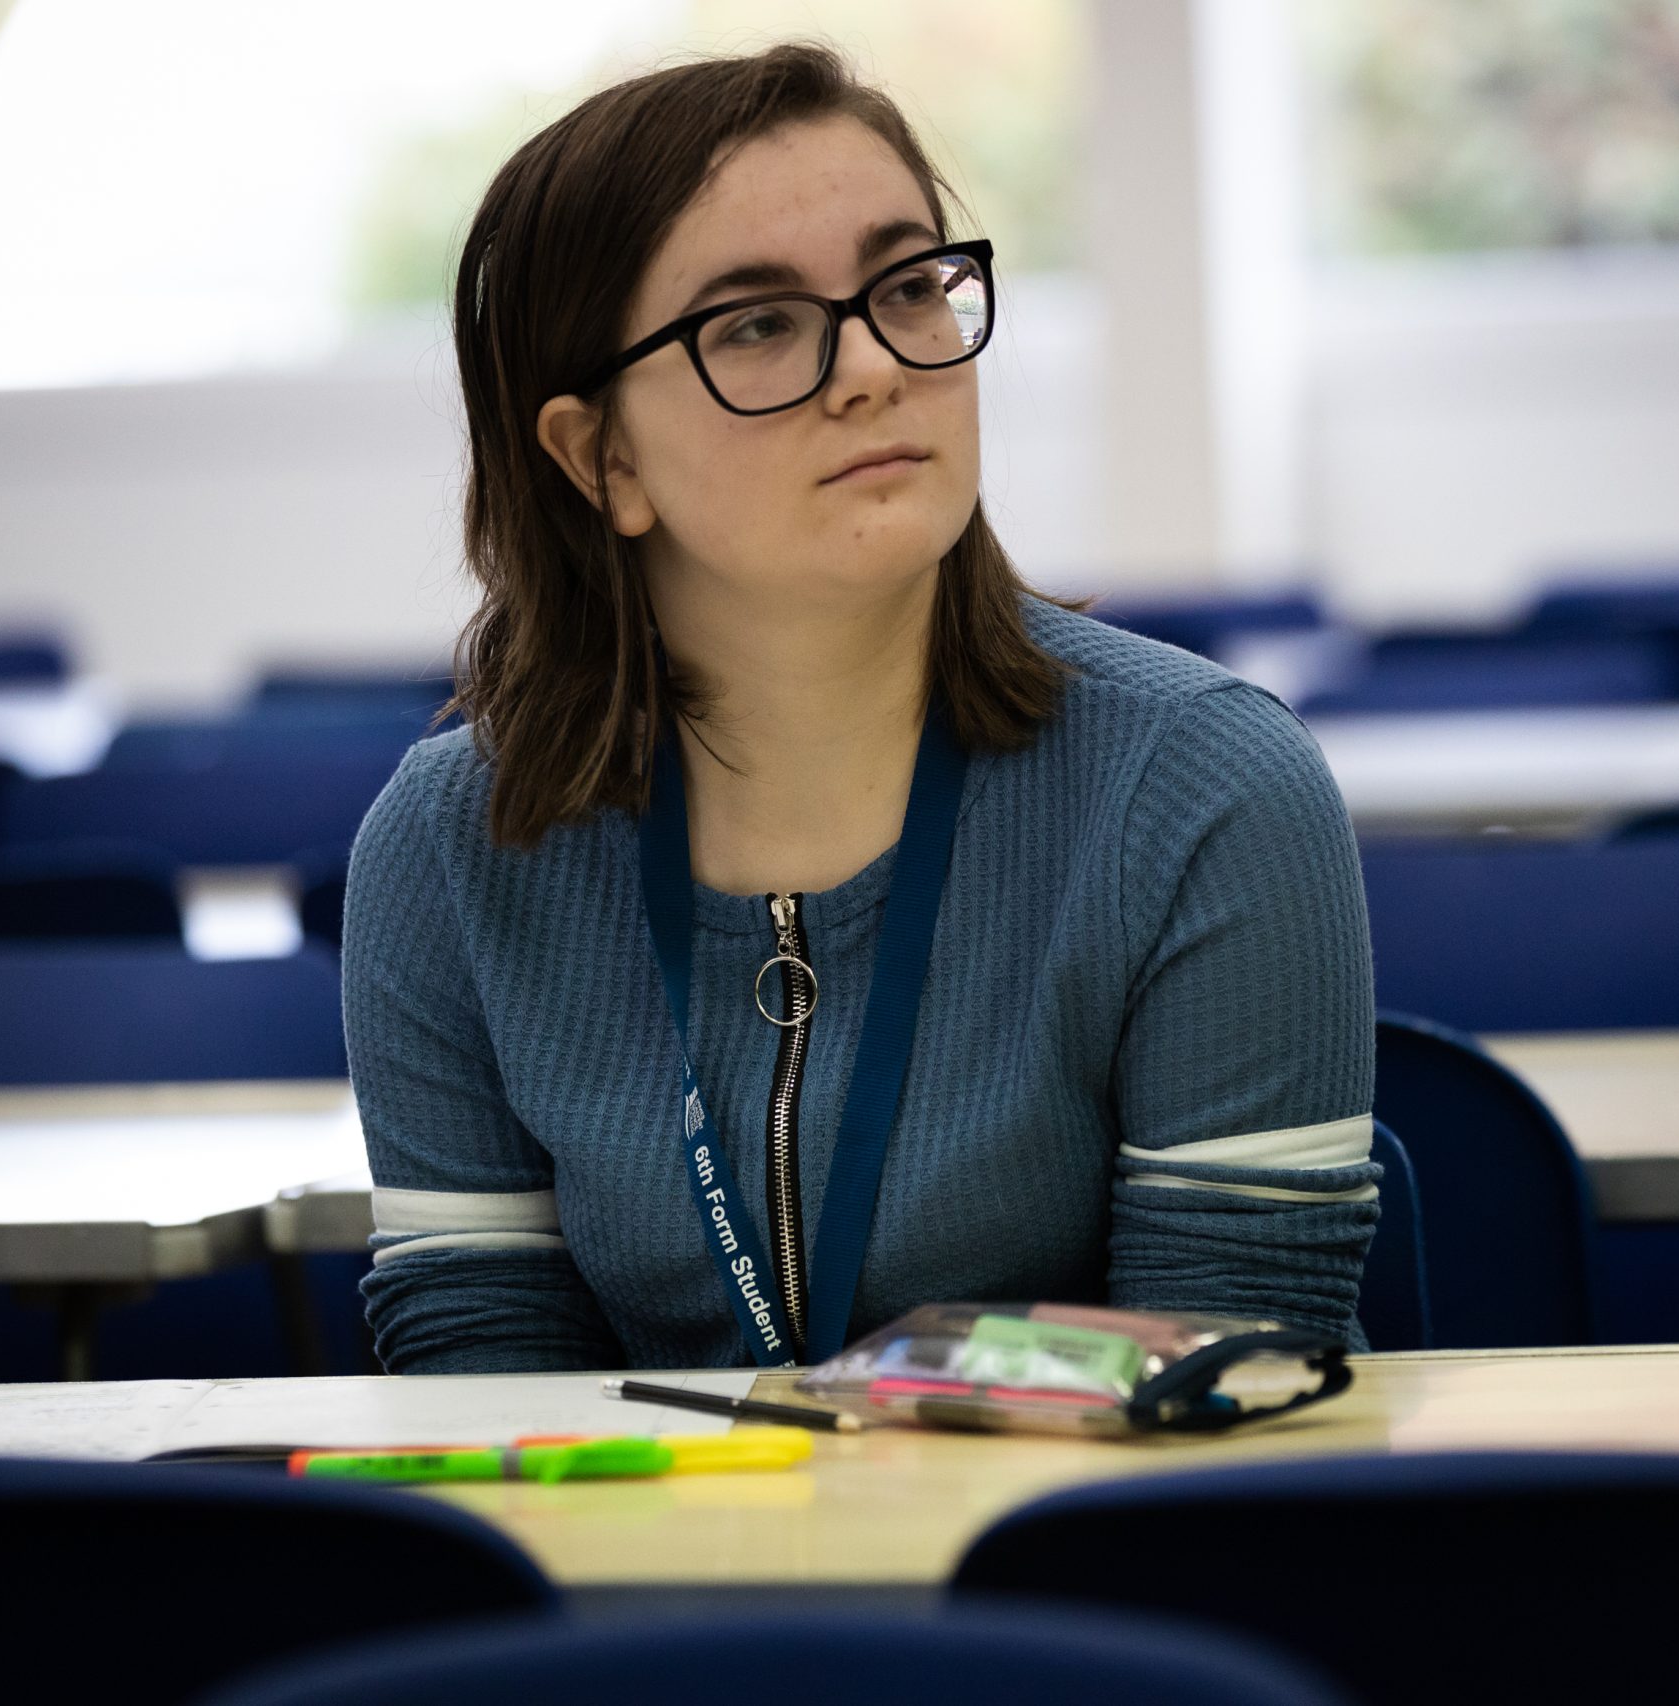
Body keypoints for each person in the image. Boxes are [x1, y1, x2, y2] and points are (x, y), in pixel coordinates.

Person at [346, 41, 1377, 1374]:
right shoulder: (450, 848)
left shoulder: (1201, 787)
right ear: (600, 458)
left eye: (908, 287)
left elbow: (1219, 1370)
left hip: (1091, 1516)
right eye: (757, 325)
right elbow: (484, 1384)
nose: (876, 367)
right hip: (656, 1521)